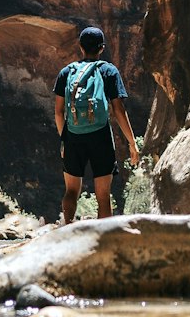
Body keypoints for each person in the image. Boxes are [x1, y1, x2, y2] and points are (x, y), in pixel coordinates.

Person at [54, 26, 139, 224]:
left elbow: (59, 112)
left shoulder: (67, 72)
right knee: (103, 196)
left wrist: (64, 139)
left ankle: (67, 229)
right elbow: (118, 110)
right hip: (100, 135)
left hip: (73, 136)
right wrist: (132, 143)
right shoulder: (108, 71)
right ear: (101, 48)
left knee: (71, 190)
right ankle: (103, 240)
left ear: (80, 47)